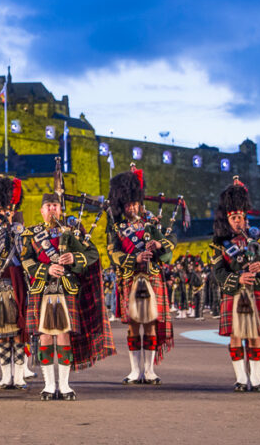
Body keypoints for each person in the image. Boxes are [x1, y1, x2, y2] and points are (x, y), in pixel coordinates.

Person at [20, 187, 111, 400]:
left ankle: (65, 385)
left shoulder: (72, 232)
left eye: (55, 206)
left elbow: (92, 253)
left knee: (63, 336)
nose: (51, 209)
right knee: (44, 337)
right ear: (41, 210)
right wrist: (46, 269)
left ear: (60, 209)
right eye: (48, 206)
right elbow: (26, 261)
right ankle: (49, 385)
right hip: (41, 289)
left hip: (65, 289)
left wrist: (74, 258)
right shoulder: (31, 233)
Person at [106, 165, 175, 385]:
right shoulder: (117, 228)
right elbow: (113, 254)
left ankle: (150, 370)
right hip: (131, 278)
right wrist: (133, 259)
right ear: (123, 205)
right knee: (134, 324)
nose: (133, 207)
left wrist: (158, 244)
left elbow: (169, 246)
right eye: (129, 204)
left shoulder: (151, 224)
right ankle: (135, 370)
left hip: (152, 276)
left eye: (135, 203)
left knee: (152, 323)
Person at [211, 178, 260, 392]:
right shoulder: (220, 243)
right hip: (235, 293)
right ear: (227, 219)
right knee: (236, 336)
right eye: (234, 218)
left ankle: (256, 379)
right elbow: (218, 272)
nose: (238, 221)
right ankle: (241, 378)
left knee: (256, 335)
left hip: (256, 291)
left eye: (241, 217)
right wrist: (237, 279)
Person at [0, 175, 31, 390]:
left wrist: (15, 230)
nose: (5, 214)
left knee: (18, 333)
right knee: (2, 334)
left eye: (9, 210)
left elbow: (24, 254)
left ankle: (20, 375)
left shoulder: (23, 232)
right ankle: (5, 375)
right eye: (2, 210)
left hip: (17, 284)